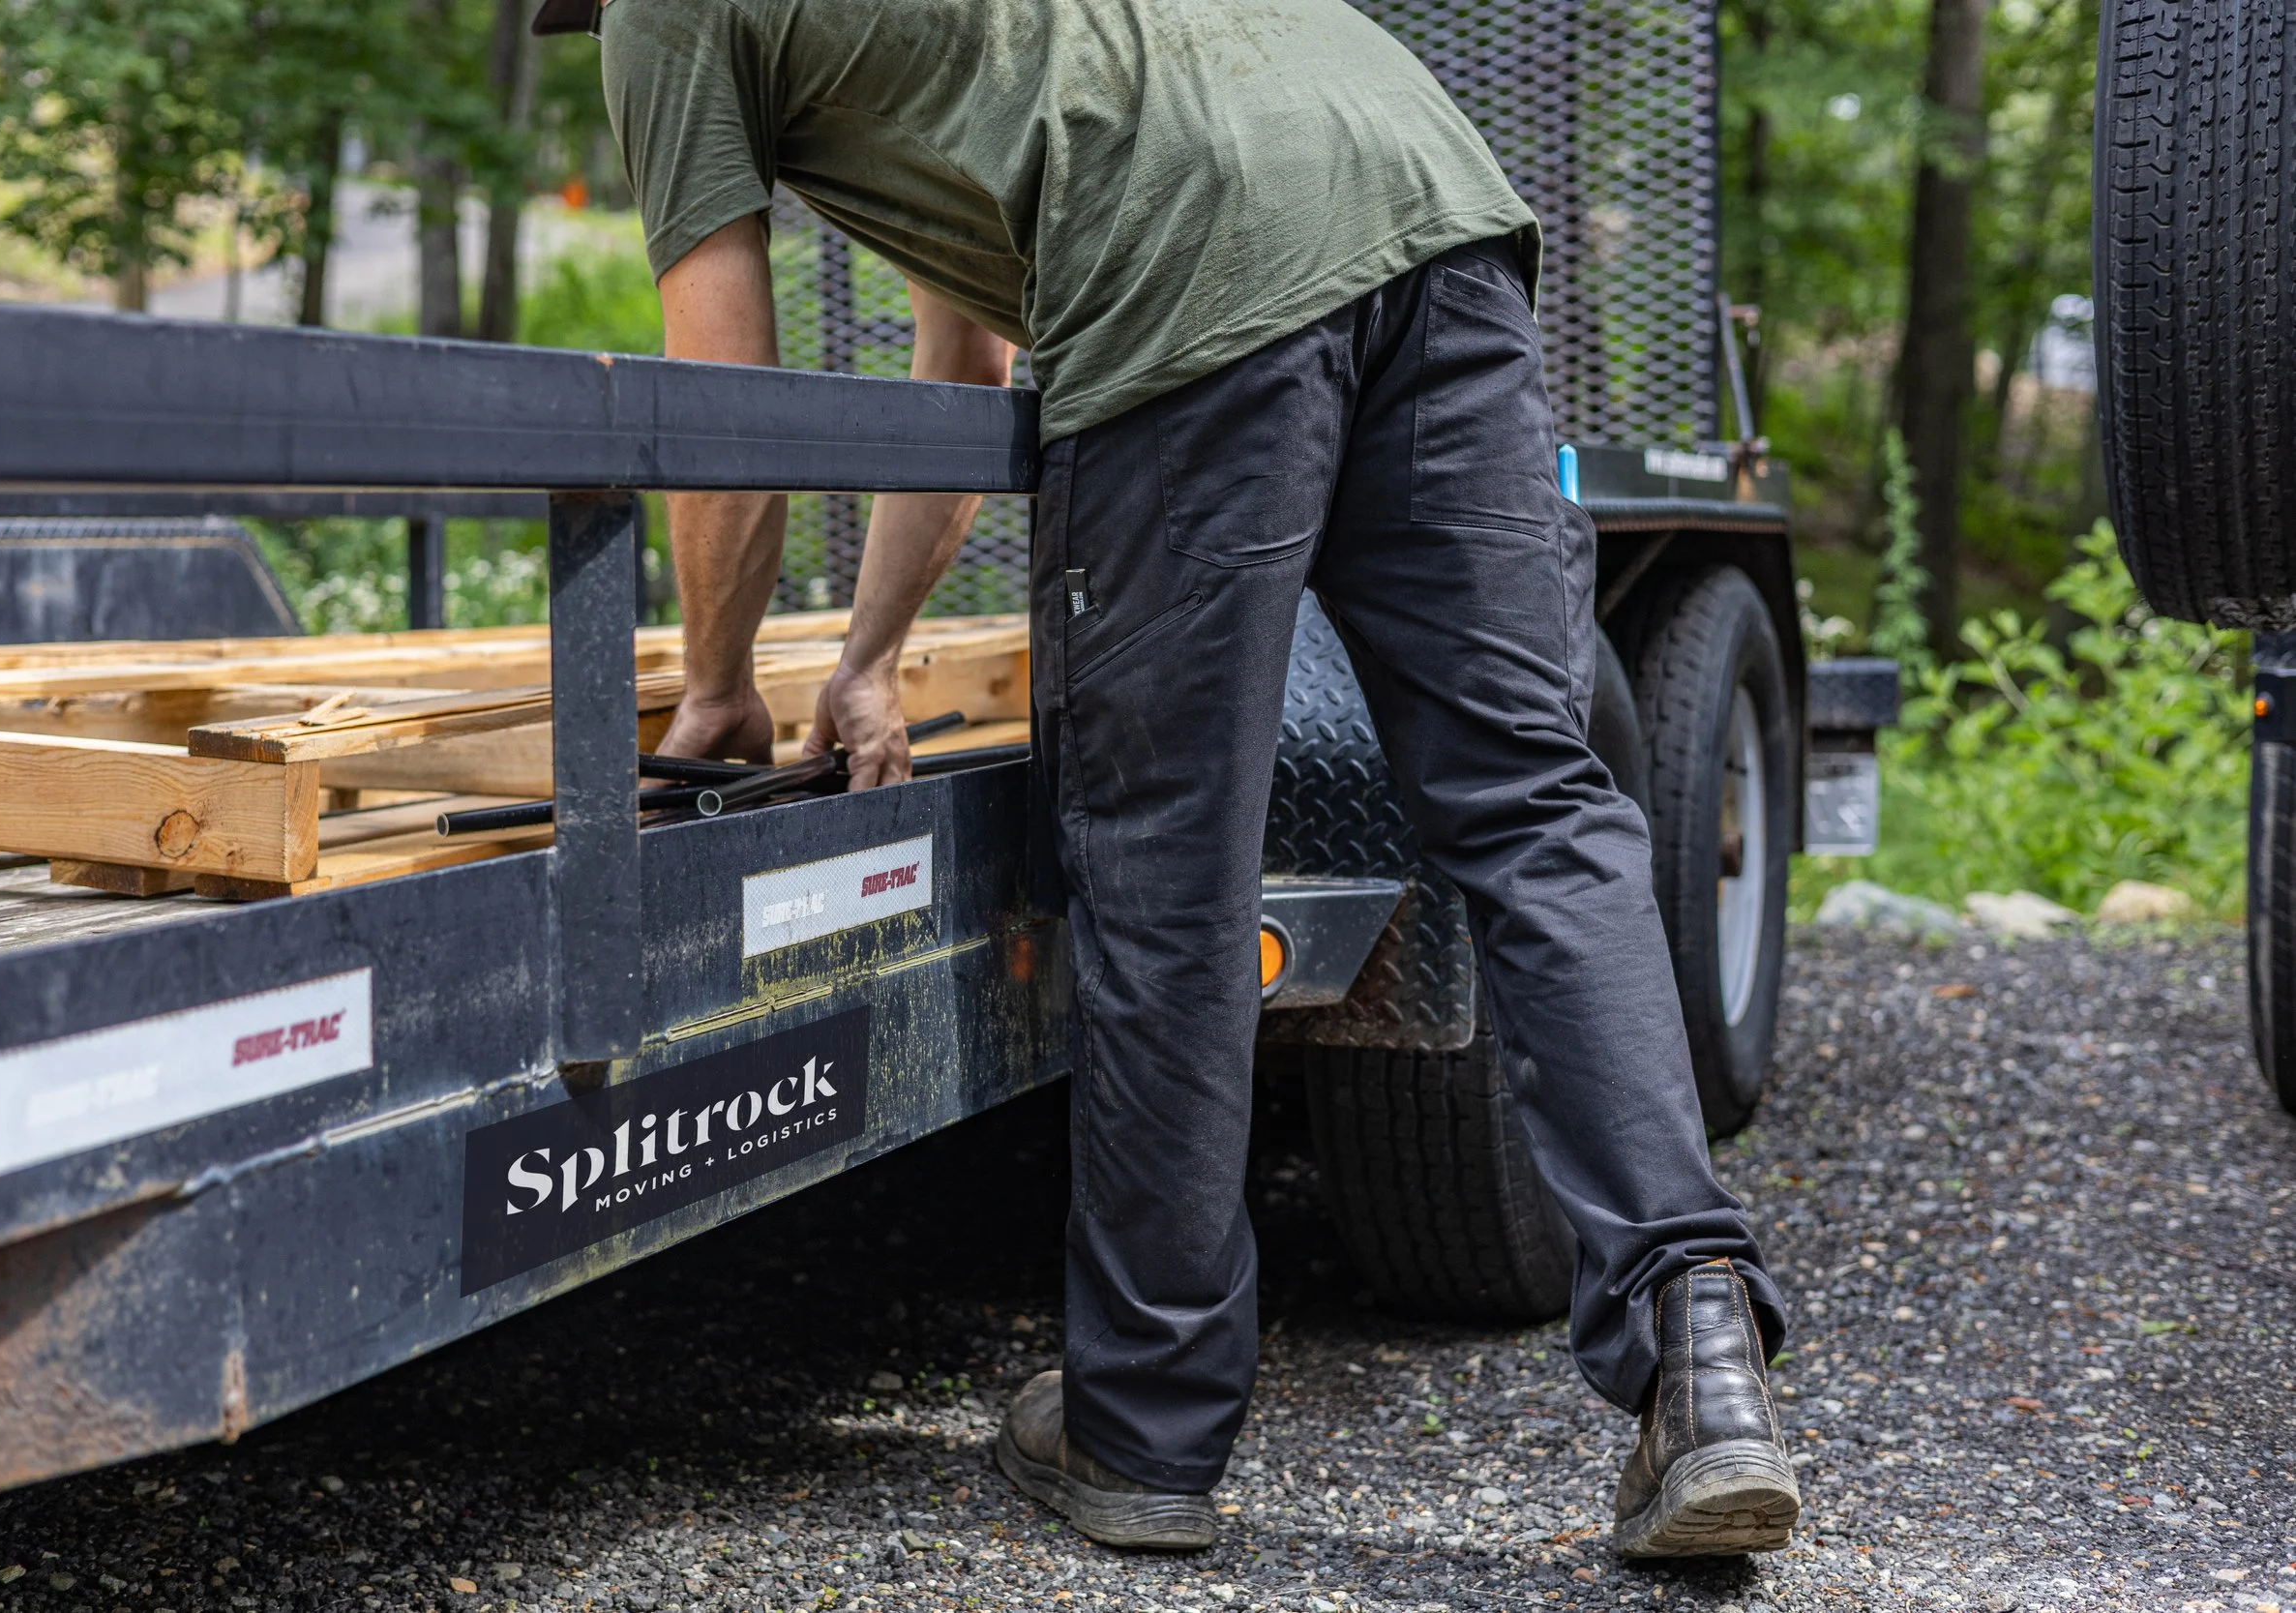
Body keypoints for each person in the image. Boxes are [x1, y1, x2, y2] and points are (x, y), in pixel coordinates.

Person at [538, 0, 1802, 1559]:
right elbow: (969, 342)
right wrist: (868, 657)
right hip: (1423, 189)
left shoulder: (663, 14)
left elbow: (716, 390)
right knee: (1539, 802)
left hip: (1194, 244)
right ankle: (1703, 1351)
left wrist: (721, 684)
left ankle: (1141, 1427)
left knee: (1166, 859)